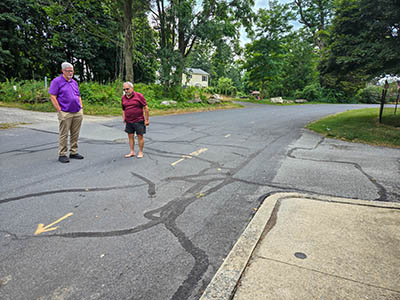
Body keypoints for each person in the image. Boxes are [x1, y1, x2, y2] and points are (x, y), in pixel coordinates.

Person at [49, 62, 84, 163]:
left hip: (77, 111)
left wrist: (81, 107)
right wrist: (59, 110)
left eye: (71, 70)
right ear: (63, 71)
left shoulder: (74, 82)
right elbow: (52, 96)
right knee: (64, 134)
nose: (70, 72)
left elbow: (78, 95)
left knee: (75, 133)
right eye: (68, 71)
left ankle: (73, 152)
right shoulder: (57, 81)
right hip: (65, 111)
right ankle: (62, 154)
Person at [121, 82, 149, 158]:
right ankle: (132, 151)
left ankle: (140, 152)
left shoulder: (139, 96)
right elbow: (123, 109)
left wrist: (146, 120)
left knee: (140, 136)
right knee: (130, 136)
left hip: (139, 120)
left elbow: (146, 108)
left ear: (132, 88)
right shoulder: (123, 98)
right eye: (124, 89)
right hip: (129, 121)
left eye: (127, 89)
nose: (126, 91)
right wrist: (124, 118)